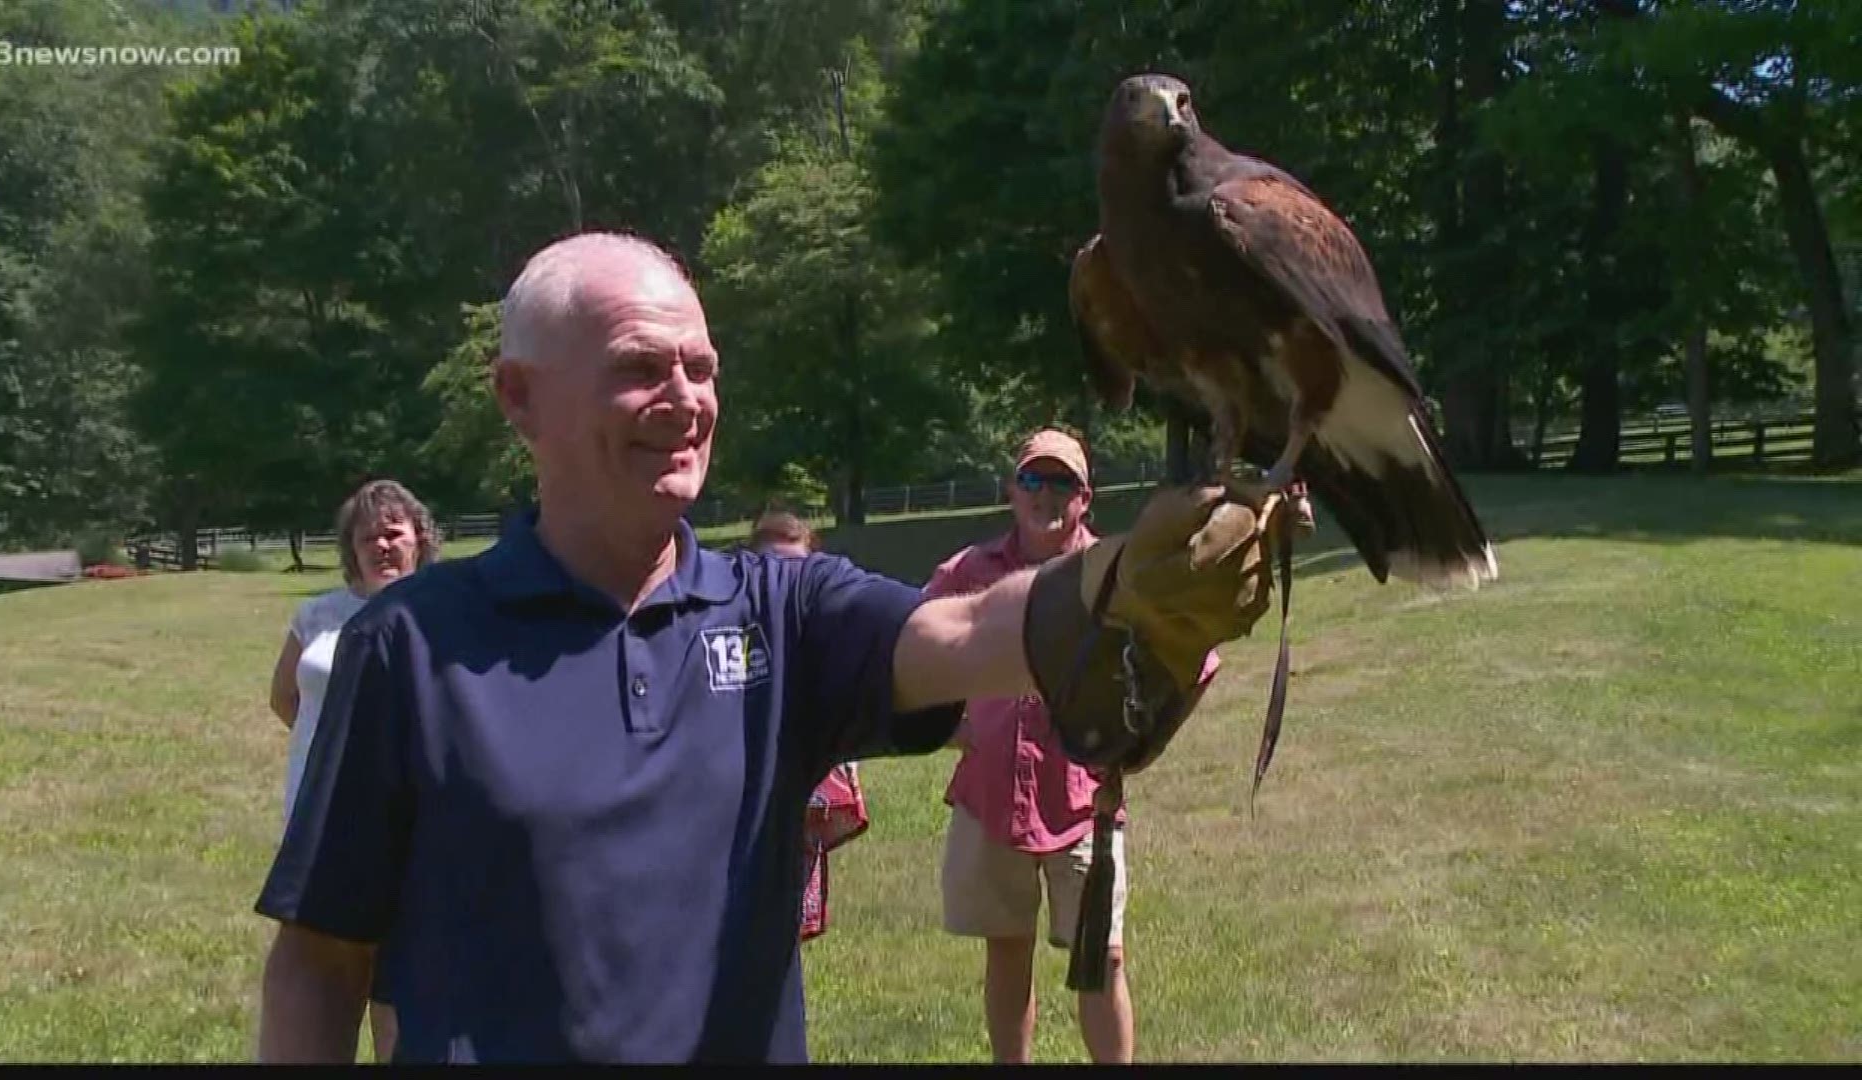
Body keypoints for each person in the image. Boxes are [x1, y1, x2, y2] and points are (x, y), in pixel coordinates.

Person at [252, 229, 1276, 1064]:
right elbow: (322, 961)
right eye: (639, 369)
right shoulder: (410, 648)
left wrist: (1126, 579)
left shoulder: (778, 614)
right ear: (519, 397)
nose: (688, 399)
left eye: (702, 368)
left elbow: (962, 629)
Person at [928, 426, 1209, 1064]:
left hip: (1084, 801)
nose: (1045, 494)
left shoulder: (1115, 573)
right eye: (1033, 479)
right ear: (1011, 491)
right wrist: (951, 729)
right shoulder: (969, 572)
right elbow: (909, 646)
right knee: (1005, 949)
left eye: (1062, 482)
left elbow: (1198, 658)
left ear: (1086, 498)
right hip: (989, 795)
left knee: (1101, 956)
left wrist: (1141, 747)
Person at [266, 477, 440, 1063]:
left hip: (411, 829)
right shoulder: (317, 615)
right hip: (318, 824)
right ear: (352, 549)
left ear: (418, 538)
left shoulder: (441, 614)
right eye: (369, 537)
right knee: (319, 974)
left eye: (394, 533)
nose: (383, 546)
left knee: (398, 987)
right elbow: (284, 698)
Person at [745, 509, 870, 944]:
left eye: (796, 570)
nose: (783, 583)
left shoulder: (827, 641)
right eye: (770, 567)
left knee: (787, 932)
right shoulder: (731, 635)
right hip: (739, 812)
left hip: (803, 809)